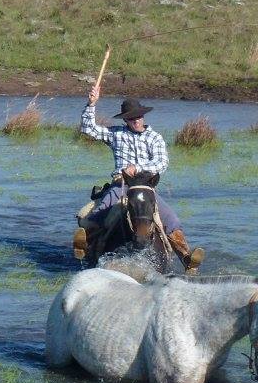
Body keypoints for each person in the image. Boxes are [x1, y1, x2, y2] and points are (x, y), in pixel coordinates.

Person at [74, 83, 204, 270]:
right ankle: (84, 245)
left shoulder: (155, 138)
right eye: (131, 118)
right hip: (121, 185)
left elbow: (162, 162)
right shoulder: (115, 134)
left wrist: (138, 167)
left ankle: (186, 259)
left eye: (138, 117)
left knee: (171, 219)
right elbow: (88, 129)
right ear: (125, 120)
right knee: (101, 210)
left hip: (146, 187)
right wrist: (91, 104)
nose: (136, 120)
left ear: (143, 116)